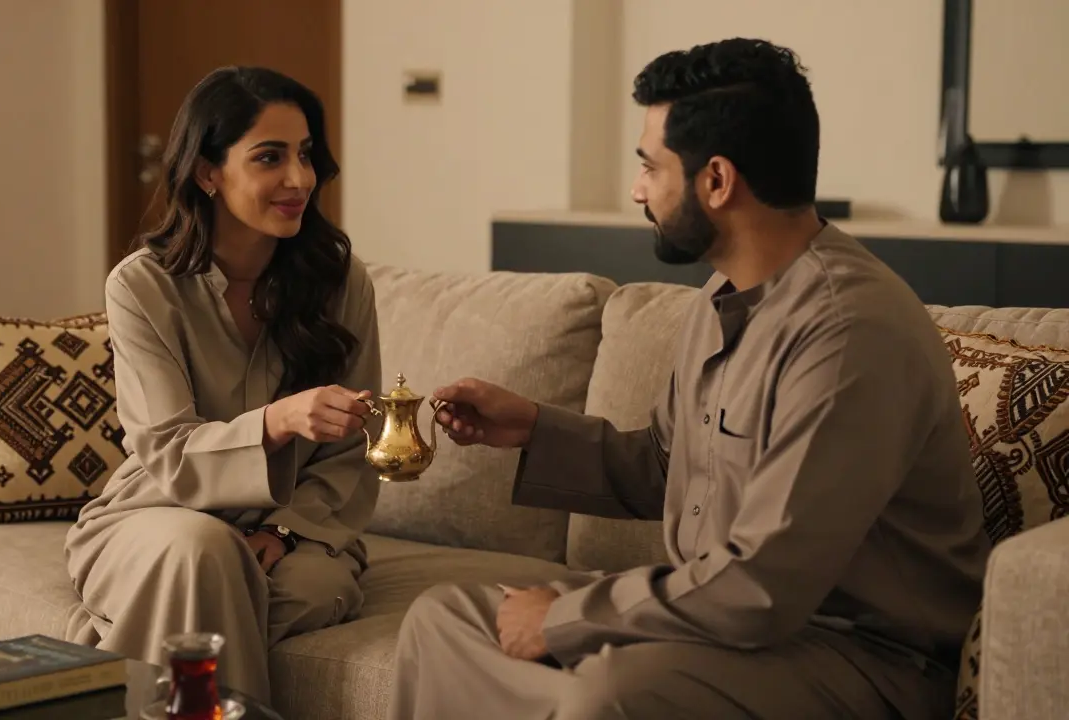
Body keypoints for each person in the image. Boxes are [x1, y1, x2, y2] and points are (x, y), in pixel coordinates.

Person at [387, 38, 991, 720]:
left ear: (717, 181)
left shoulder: (848, 331)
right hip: (723, 625)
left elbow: (764, 583)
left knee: (612, 692)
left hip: (859, 655)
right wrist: (531, 427)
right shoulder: (718, 299)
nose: (637, 189)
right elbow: (668, 466)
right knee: (446, 620)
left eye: (651, 166)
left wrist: (561, 619)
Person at [64, 66, 382, 706]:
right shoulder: (141, 286)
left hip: (297, 535)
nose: (298, 179)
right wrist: (277, 421)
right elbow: (167, 449)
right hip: (156, 514)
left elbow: (353, 452)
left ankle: (119, 658)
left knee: (297, 589)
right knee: (203, 552)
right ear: (208, 172)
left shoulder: (341, 281)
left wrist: (283, 532)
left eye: (305, 155)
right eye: (270, 157)